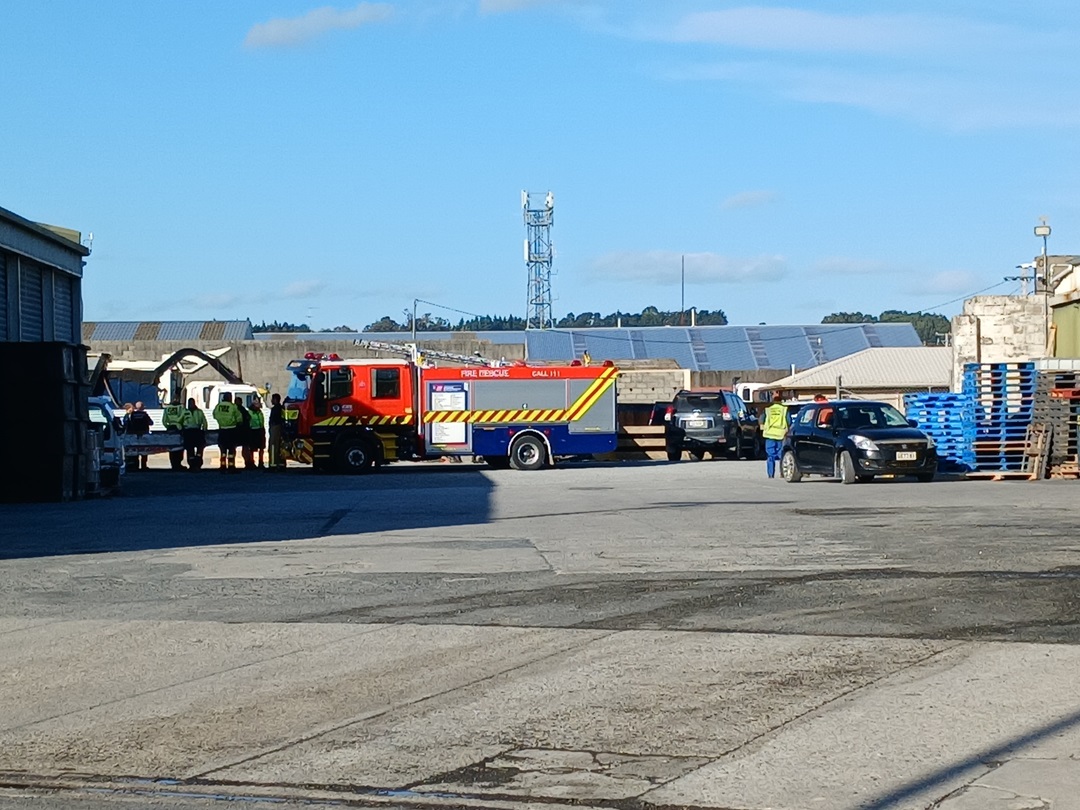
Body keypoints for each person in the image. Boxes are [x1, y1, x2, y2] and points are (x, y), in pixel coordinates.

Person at [760, 392, 789, 479]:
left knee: (770, 456)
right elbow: (789, 421)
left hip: (769, 435)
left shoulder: (768, 410)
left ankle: (770, 475)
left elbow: (761, 419)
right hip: (781, 434)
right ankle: (782, 473)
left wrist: (762, 426)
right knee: (781, 455)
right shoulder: (785, 410)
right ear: (781, 402)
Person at [212, 392, 243, 472]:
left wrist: (221, 421)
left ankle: (222, 466)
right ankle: (231, 466)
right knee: (231, 449)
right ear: (230, 398)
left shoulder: (218, 406)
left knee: (223, 449)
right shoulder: (233, 406)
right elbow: (239, 417)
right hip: (231, 429)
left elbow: (214, 415)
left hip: (222, 429)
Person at [179, 398, 208, 471]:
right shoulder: (184, 412)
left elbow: (204, 421)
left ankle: (198, 464)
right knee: (190, 450)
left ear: (194, 403)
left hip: (197, 431)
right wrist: (181, 429)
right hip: (188, 432)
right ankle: (191, 465)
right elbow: (180, 421)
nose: (190, 405)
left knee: (200, 449)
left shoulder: (199, 412)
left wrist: (204, 430)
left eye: (192, 403)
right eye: (189, 403)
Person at [126, 401, 153, 470]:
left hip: (134, 434)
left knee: (135, 450)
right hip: (144, 434)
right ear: (142, 407)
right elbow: (151, 422)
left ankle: (135, 465)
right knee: (144, 451)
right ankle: (144, 466)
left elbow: (129, 423)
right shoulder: (144, 414)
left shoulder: (132, 414)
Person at [267, 392, 286, 471]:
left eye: (272, 399)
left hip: (275, 427)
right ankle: (281, 464)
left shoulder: (276, 409)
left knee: (273, 446)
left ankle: (273, 465)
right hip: (279, 428)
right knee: (280, 446)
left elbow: (274, 419)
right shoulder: (281, 408)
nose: (271, 400)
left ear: (275, 399)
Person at [247, 398, 266, 469]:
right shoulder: (249, 412)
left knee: (261, 448)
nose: (259, 406)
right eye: (258, 404)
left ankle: (261, 462)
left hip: (260, 430)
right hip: (253, 431)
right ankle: (252, 462)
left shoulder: (259, 412)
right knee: (252, 448)